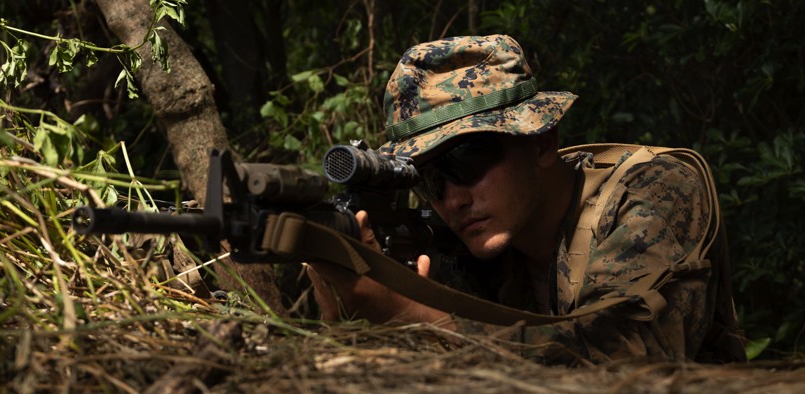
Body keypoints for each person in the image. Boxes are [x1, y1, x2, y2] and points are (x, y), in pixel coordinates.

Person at [306, 34, 744, 364]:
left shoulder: (654, 189)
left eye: (466, 161)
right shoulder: (457, 246)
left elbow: (626, 361)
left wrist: (410, 314)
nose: (451, 199)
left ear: (541, 142)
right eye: (429, 179)